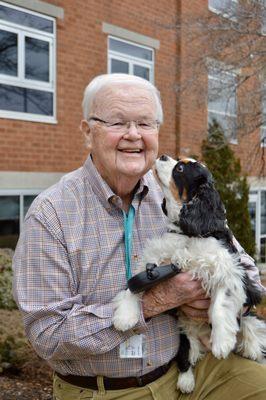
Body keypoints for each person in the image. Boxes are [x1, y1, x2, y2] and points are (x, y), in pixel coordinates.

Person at [13, 74, 266, 400]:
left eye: (146, 123)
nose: (134, 135)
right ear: (88, 132)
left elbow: (245, 269)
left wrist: (222, 303)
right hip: (107, 389)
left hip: (191, 367)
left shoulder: (176, 195)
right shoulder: (50, 215)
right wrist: (156, 301)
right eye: (118, 122)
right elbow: (47, 334)